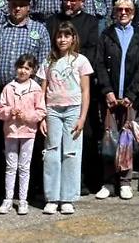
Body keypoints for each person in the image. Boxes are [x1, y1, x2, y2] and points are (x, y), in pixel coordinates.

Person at [0, 0, 51, 197]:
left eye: (22, 5)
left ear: (29, 7)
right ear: (8, 6)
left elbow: (44, 65)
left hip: (29, 94)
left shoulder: (39, 31)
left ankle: (27, 189)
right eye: (14, 4)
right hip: (0, 92)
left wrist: (37, 93)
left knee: (29, 141)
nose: (17, 8)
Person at [46, 0, 103, 193]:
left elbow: (91, 49)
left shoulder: (90, 22)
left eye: (73, 0)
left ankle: (84, 182)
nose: (68, 4)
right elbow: (49, 48)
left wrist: (71, 58)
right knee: (53, 146)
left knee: (83, 136)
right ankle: (53, 188)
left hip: (79, 87)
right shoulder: (53, 21)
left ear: (82, 2)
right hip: (55, 92)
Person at [94, 0, 139, 200]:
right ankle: (108, 182)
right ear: (114, 12)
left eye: (127, 9)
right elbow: (99, 64)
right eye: (119, 10)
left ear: (133, 13)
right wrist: (107, 91)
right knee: (109, 139)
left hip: (129, 98)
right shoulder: (106, 35)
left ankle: (125, 181)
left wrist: (131, 95)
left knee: (126, 139)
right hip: (109, 97)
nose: (123, 12)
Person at [41, 23, 93, 215]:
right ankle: (52, 197)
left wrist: (82, 117)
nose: (62, 39)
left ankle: (68, 198)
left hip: (73, 110)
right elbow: (43, 90)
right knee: (52, 152)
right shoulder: (48, 62)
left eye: (66, 36)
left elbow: (85, 91)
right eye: (59, 36)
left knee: (71, 153)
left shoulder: (81, 61)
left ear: (73, 39)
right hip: (52, 110)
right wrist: (42, 117)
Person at [0, 53, 47, 215]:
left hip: (28, 132)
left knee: (24, 167)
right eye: (21, 67)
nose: (23, 71)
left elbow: (41, 111)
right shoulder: (8, 88)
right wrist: (10, 111)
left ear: (32, 70)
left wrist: (27, 116)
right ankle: (8, 198)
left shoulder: (36, 89)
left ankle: (23, 200)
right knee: (11, 166)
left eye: (27, 68)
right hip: (11, 132)